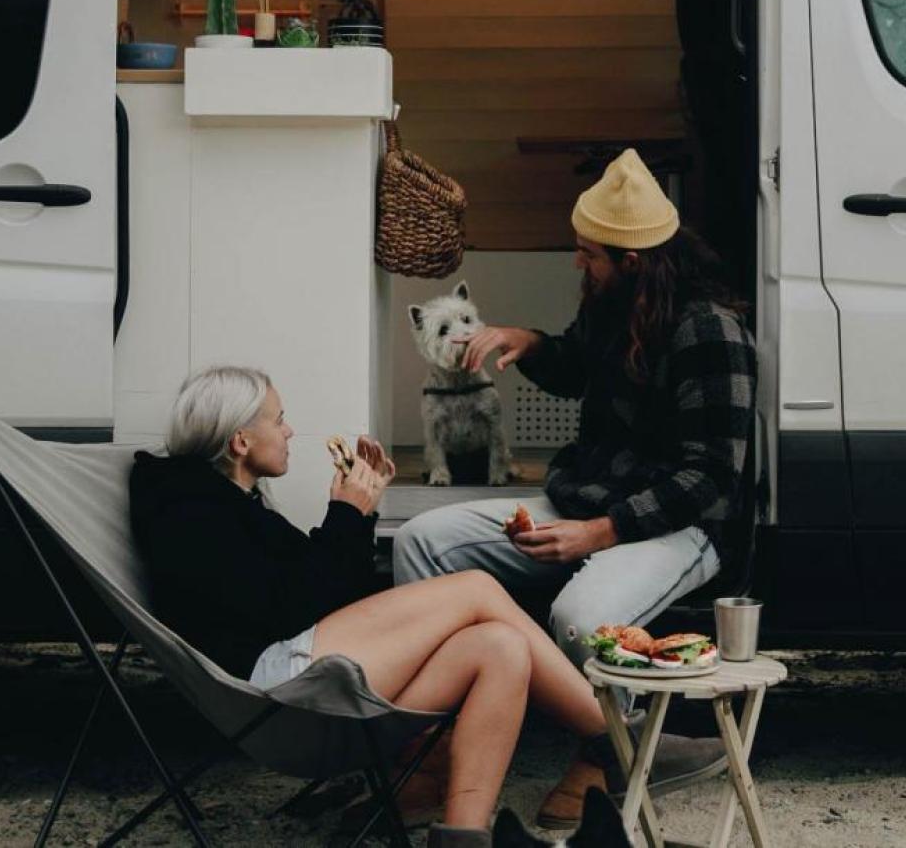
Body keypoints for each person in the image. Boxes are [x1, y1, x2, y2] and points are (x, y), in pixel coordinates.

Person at [129, 366, 713, 847]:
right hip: (277, 687)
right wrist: (346, 514)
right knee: (477, 589)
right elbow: (288, 610)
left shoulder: (225, 502)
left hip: (304, 666)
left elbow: (325, 594)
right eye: (278, 419)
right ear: (239, 441)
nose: (289, 430)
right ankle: (620, 742)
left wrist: (359, 509)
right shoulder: (190, 514)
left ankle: (463, 836)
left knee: (501, 647)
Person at [393, 148, 757, 825]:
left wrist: (603, 532)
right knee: (422, 542)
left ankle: (609, 751)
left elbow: (711, 478)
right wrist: (525, 341)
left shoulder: (711, 331)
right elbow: (572, 366)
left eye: (589, 254)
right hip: (587, 497)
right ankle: (435, 743)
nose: (577, 263)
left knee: (579, 616)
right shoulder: (613, 303)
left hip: (681, 524)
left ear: (634, 261)